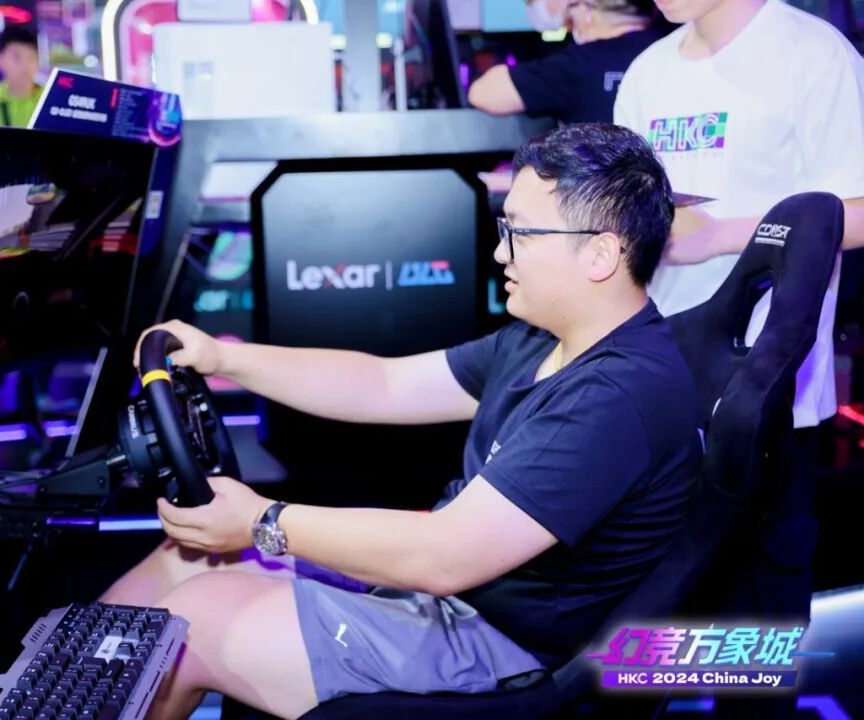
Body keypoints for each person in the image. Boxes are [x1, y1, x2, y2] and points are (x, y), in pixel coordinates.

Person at [99, 124, 703, 720]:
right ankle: (60, 688)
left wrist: (262, 522)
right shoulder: (543, 339)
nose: (501, 252)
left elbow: (446, 556)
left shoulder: (615, 395)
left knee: (196, 622)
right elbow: (381, 383)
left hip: (495, 644)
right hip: (449, 594)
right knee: (186, 559)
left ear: (600, 254)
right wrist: (223, 357)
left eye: (520, 233)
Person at [614, 0, 864, 625]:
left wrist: (721, 235)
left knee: (760, 609)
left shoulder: (814, 53)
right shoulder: (648, 70)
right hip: (657, 378)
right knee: (653, 606)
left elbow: (857, 209)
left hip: (767, 383)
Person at [468, 0, 665, 124]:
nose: (570, 20)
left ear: (588, 11)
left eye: (573, 8)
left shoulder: (578, 63)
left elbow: (484, 94)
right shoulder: (669, 49)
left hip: (600, 177)